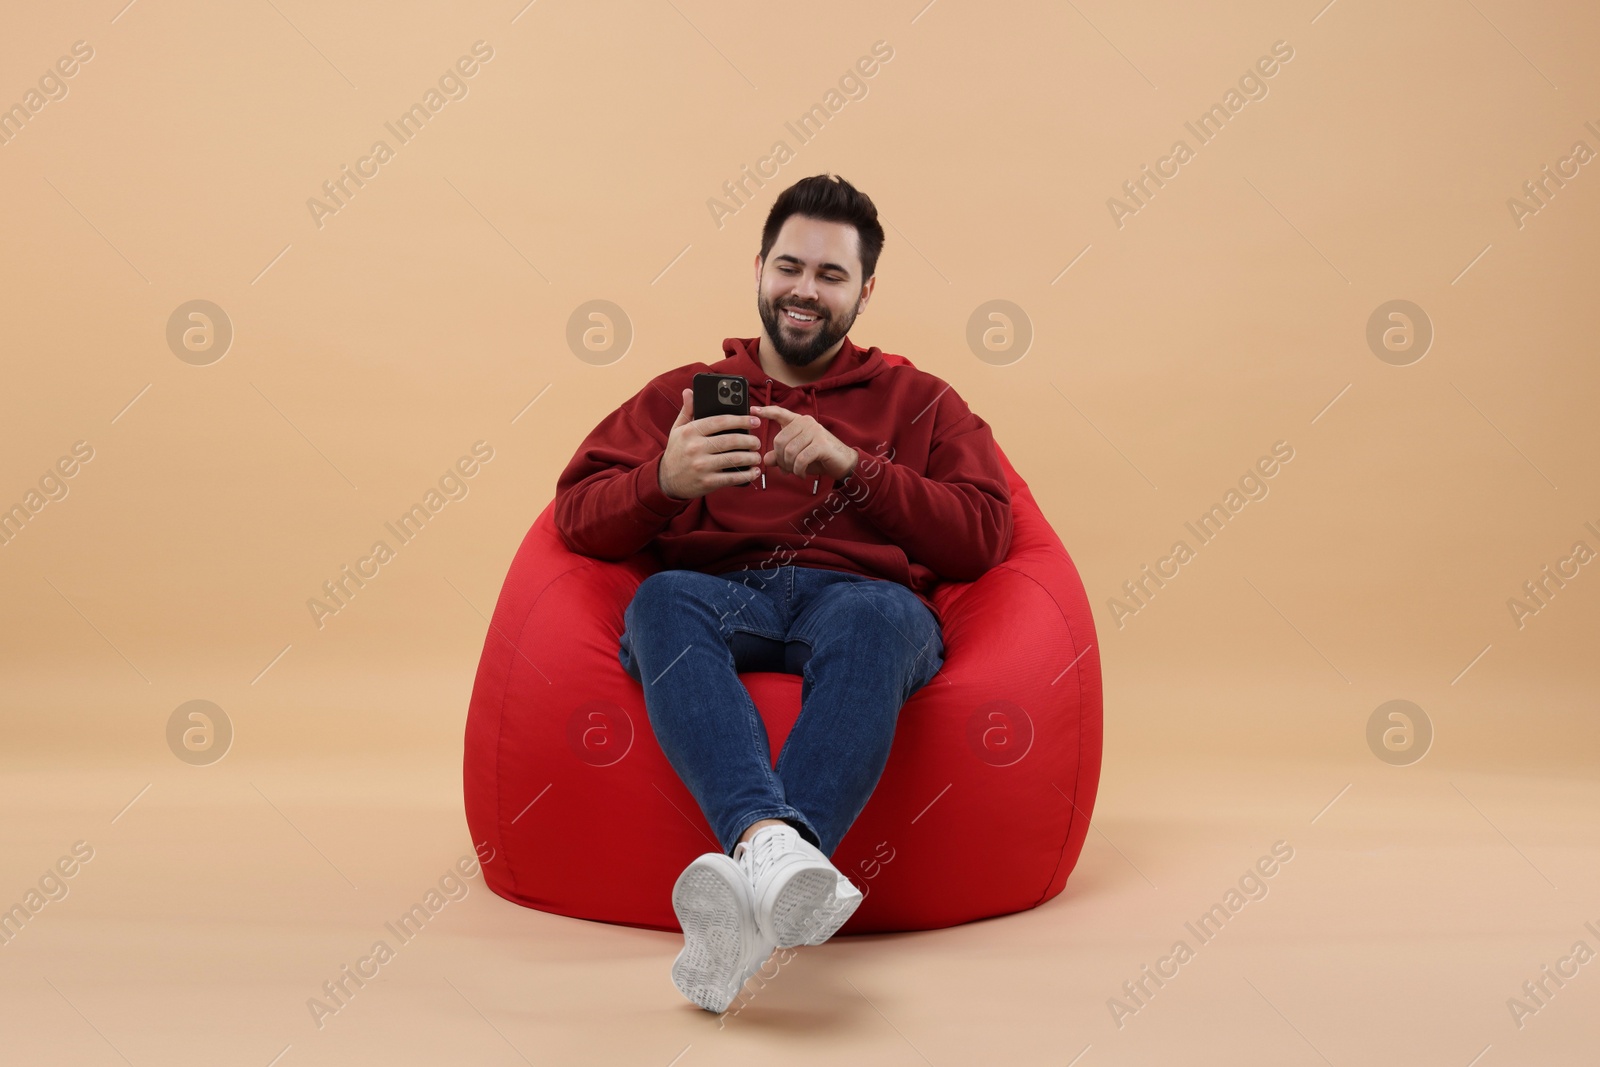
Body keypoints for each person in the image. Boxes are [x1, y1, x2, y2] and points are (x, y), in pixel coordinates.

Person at [552, 174, 1013, 1013]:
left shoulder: (922, 402)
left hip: (858, 600)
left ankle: (749, 891)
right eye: (789, 267)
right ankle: (775, 852)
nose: (804, 291)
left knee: (876, 614)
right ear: (760, 267)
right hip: (723, 593)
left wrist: (853, 466)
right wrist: (663, 479)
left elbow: (983, 535)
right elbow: (577, 517)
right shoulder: (681, 394)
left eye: (831, 276)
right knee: (660, 604)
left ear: (865, 290)